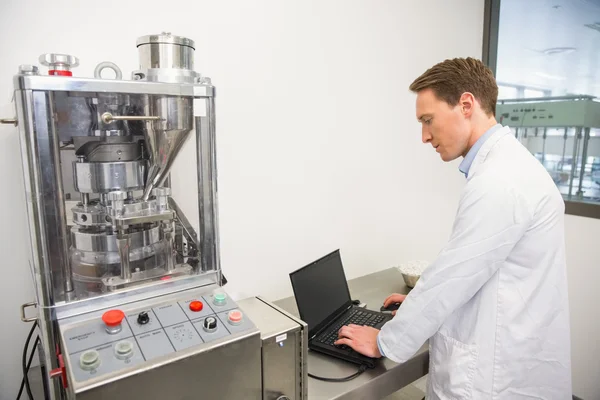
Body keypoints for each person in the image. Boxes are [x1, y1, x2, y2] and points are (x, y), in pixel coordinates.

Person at [335, 57, 572, 399]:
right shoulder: (510, 167)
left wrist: (387, 340)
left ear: (465, 105)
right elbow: (476, 270)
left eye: (428, 120)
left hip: (495, 377)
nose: (424, 136)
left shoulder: (499, 181)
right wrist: (419, 302)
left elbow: (452, 276)